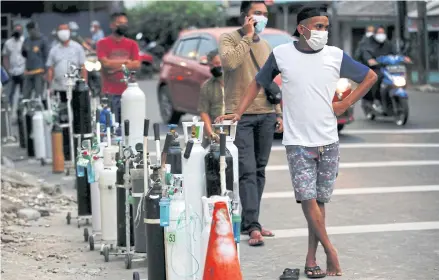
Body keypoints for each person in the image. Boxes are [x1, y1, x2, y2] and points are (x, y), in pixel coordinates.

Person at [217, 5, 378, 277]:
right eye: (318, 27)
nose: (323, 32)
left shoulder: (335, 55)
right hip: (298, 143)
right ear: (302, 28)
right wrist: (239, 112)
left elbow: (370, 76)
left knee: (319, 202)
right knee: (308, 198)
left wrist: (346, 103)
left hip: (328, 140)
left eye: (326, 27)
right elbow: (257, 83)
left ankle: (311, 258)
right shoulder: (281, 55)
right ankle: (330, 251)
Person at [217, 0, 283, 247]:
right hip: (240, 115)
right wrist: (247, 37)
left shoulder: (266, 45)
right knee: (246, 169)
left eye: (265, 14)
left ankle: (251, 221)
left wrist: (278, 113)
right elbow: (229, 63)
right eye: (258, 13)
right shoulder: (229, 39)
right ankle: (252, 225)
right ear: (245, 16)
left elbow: (270, 81)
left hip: (265, 113)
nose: (262, 17)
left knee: (259, 170)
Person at [96, 12, 140, 124]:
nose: (123, 25)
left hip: (129, 92)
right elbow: (105, 64)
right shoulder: (102, 43)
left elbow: (137, 65)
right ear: (112, 25)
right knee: (111, 128)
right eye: (120, 23)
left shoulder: (132, 44)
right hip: (109, 93)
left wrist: (114, 67)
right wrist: (126, 62)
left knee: (129, 126)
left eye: (125, 23)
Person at [361, 26, 411, 112]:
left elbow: (395, 53)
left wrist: (403, 58)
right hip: (375, 68)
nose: (381, 35)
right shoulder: (368, 44)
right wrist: (370, 60)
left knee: (400, 76)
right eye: (379, 33)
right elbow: (366, 54)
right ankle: (377, 100)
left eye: (382, 33)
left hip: (388, 68)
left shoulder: (388, 44)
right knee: (377, 78)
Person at [46, 24, 87, 104]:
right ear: (57, 33)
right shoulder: (54, 50)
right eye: (61, 30)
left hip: (75, 87)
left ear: (70, 31)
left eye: (65, 29)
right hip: (59, 87)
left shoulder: (78, 48)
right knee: (62, 111)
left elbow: (83, 67)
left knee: (76, 110)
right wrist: (49, 86)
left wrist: (84, 84)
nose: (63, 32)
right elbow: (50, 69)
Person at [198, 49, 224, 148]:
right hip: (216, 129)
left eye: (218, 63)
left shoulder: (237, 83)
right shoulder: (207, 86)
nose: (216, 67)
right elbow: (203, 112)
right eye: (213, 65)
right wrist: (211, 135)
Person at [21, 21, 49, 101]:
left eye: (32, 30)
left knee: (38, 95)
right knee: (25, 96)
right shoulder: (27, 40)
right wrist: (24, 50)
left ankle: (38, 110)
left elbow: (47, 57)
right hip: (28, 71)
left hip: (39, 72)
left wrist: (46, 72)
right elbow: (24, 55)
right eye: (28, 31)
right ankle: (26, 111)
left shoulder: (43, 40)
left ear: (35, 29)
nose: (30, 33)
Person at [2, 24, 25, 108]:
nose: (17, 32)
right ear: (13, 31)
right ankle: (11, 108)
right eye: (16, 30)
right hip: (12, 71)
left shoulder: (25, 41)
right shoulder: (8, 43)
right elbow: (5, 57)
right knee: (11, 93)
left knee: (24, 92)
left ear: (22, 31)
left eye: (19, 30)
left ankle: (22, 108)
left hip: (23, 70)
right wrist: (7, 70)